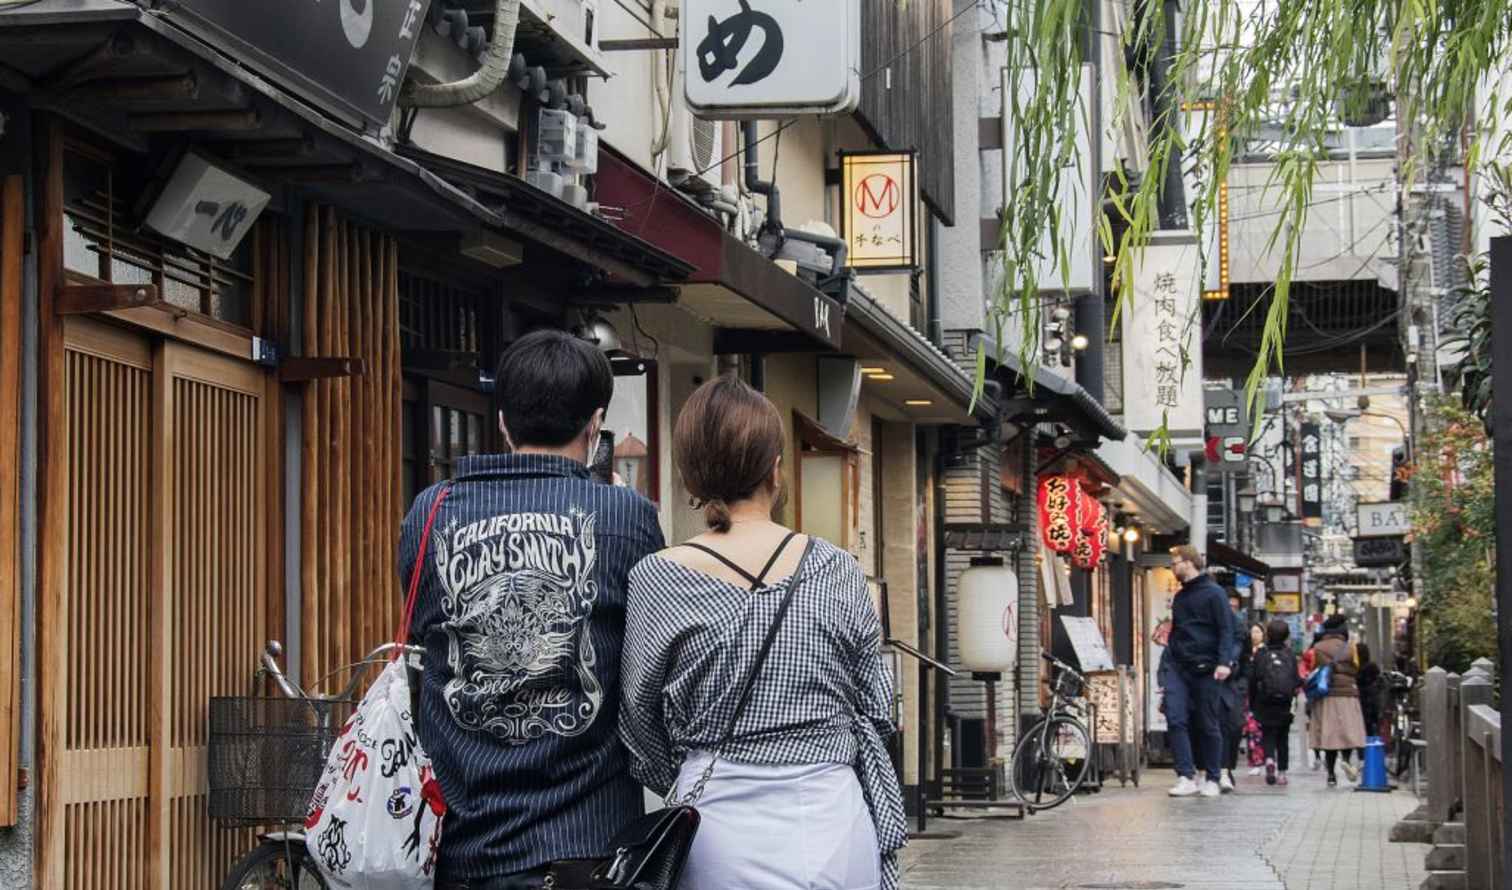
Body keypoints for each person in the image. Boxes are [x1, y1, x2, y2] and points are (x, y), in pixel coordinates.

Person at [399, 330, 666, 890]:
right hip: (585, 849)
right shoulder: (626, 518)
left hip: (461, 846)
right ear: (594, 426)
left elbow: (425, 636)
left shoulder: (432, 513)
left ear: (502, 422)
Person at [620, 376, 905, 890]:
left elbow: (639, 725)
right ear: (776, 468)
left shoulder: (657, 577)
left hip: (714, 827)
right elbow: (877, 705)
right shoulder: (836, 568)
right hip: (831, 821)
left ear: (692, 474)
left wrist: (693, 769)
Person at [1161, 545, 1238, 799]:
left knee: (1207, 722)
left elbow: (1227, 629)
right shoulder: (1181, 597)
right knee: (1175, 717)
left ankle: (1213, 777)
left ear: (1189, 563)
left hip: (1207, 668)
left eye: (1175, 563)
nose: (1172, 568)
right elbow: (1178, 631)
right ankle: (1185, 775)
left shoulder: (1215, 594)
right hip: (1178, 665)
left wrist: (1224, 662)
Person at [1307, 615, 1368, 787]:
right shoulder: (1350, 648)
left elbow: (1313, 669)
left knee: (1329, 734)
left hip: (1325, 695)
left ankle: (1331, 775)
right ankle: (1347, 760)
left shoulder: (1317, 648)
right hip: (1348, 694)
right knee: (1347, 731)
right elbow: (1356, 669)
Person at [1249, 620, 1301, 786]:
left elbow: (1253, 679)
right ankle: (1282, 773)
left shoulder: (1261, 654)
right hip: (1284, 702)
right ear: (1286, 636)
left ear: (1267, 634)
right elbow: (1296, 679)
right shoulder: (1290, 654)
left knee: (1268, 734)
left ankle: (1269, 759)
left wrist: (1252, 703)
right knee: (1283, 737)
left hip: (1264, 700)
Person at [1218, 591, 1253, 792]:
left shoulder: (1240, 629)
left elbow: (1246, 659)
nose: (1231, 610)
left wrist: (1243, 683)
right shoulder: (1214, 627)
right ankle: (1220, 769)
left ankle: (1227, 767)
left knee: (1234, 727)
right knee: (1218, 727)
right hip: (1215, 683)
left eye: (1234, 606)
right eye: (1227, 606)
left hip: (1234, 684)